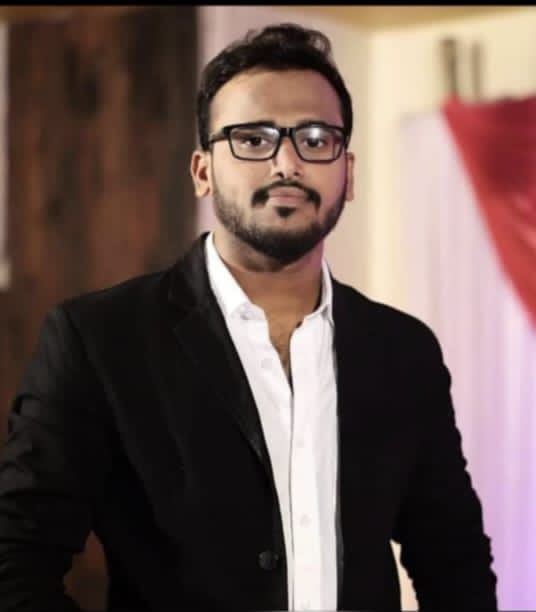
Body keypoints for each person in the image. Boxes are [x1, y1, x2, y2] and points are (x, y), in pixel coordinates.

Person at [0, 22, 497, 612]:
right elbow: (15, 562)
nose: (287, 162)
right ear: (203, 171)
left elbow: (455, 562)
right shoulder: (100, 341)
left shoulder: (402, 350)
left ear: (348, 172)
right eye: (253, 139)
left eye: (316, 138)